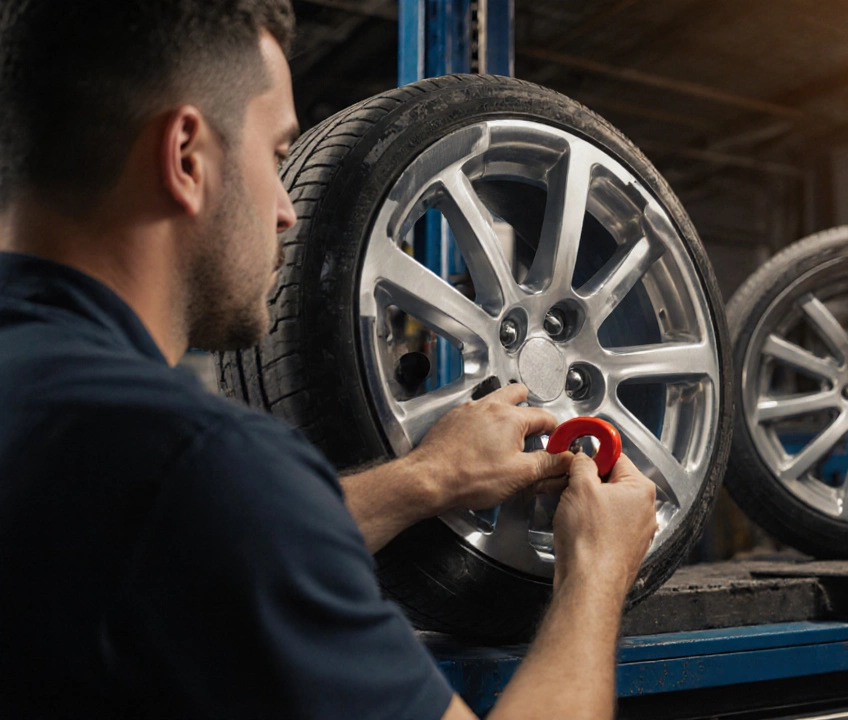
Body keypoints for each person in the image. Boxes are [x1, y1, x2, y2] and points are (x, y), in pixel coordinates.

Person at [0, 2, 658, 718]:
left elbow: (206, 544)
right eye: (279, 155)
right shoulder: (194, 464)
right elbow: (213, 511)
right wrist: (595, 573)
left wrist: (425, 478)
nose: (286, 208)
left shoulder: (86, 441)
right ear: (186, 156)